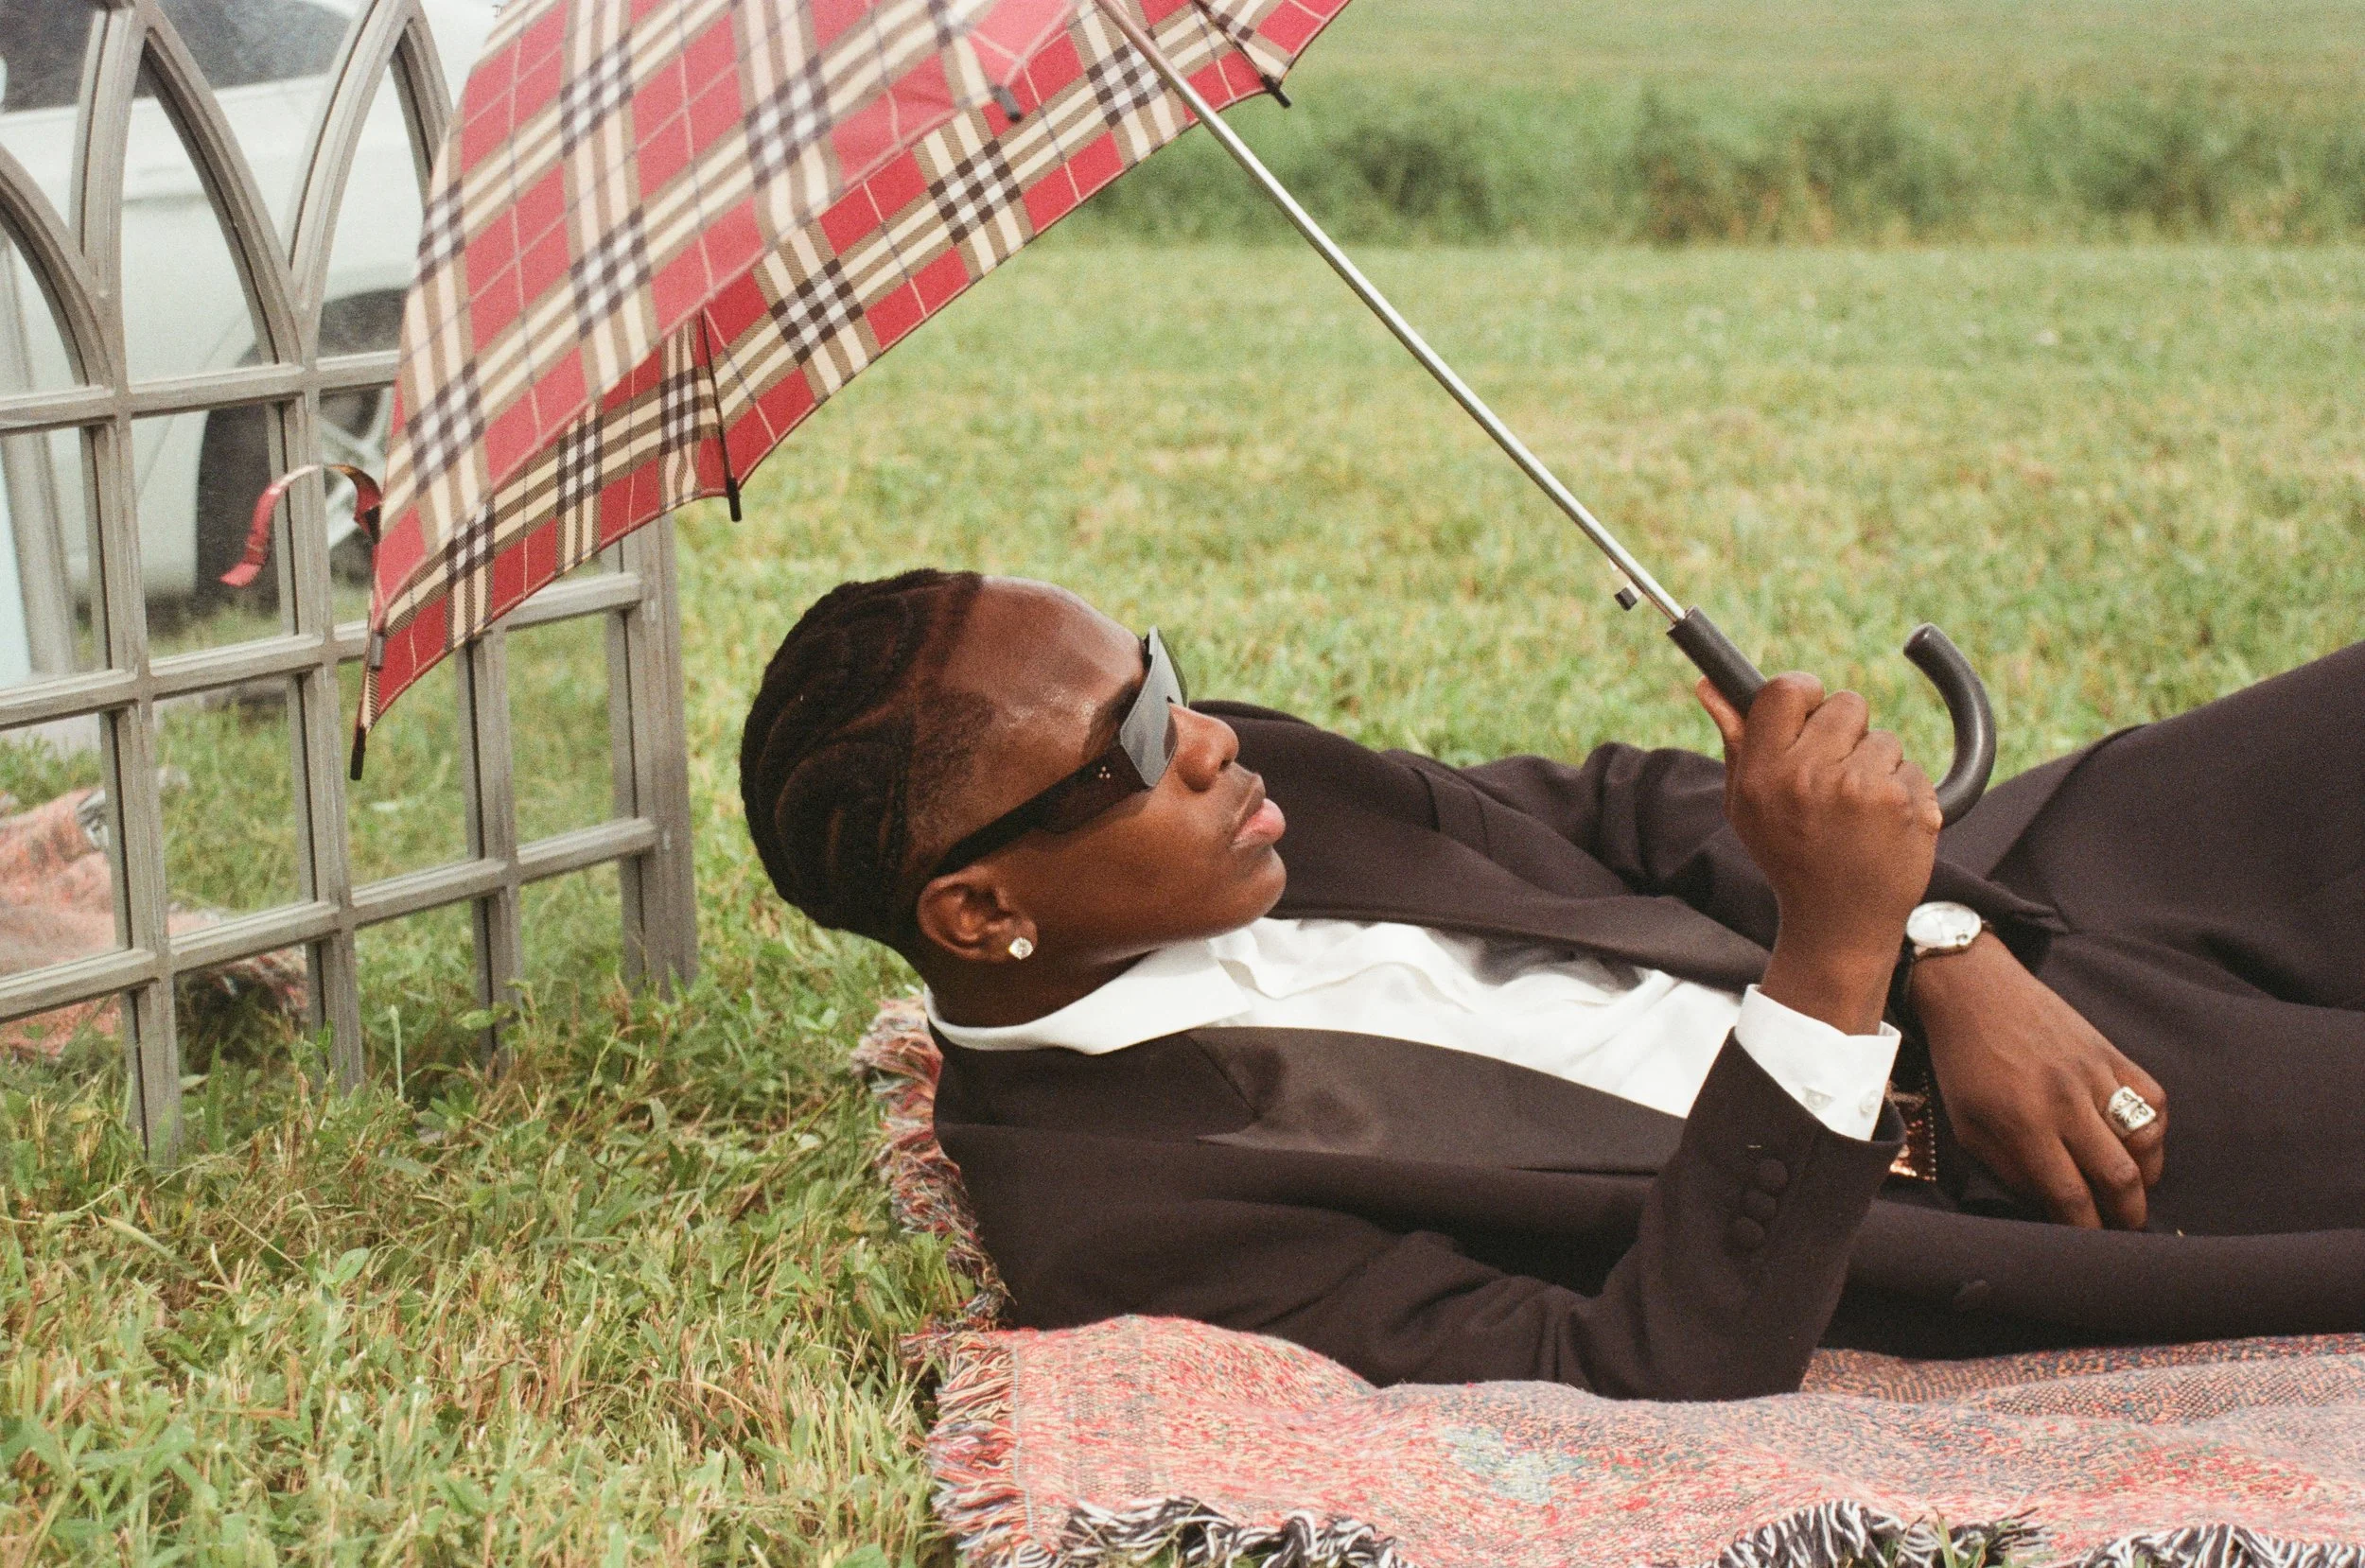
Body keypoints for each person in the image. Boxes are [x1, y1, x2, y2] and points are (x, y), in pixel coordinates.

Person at [740, 568, 2365, 1399]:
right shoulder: (1128, 1208)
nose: (1212, 732)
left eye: (1156, 671)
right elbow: (1637, 1368)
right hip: (2006, 1168)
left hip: (2015, 907)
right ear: (981, 909)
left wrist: (1946, 939)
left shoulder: (1256, 793)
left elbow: (1612, 809)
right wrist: (1840, 962)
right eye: (1143, 744)